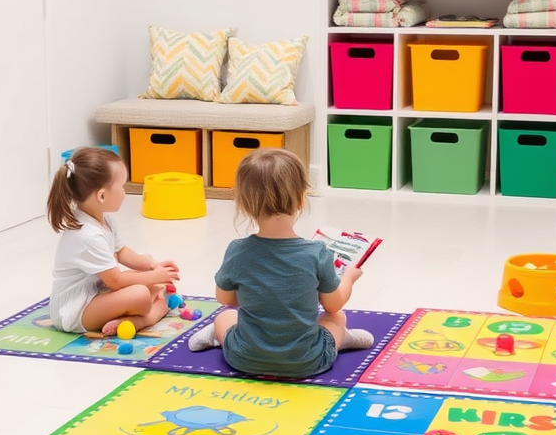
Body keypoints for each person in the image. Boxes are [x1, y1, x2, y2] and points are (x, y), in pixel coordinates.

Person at [188, 147, 372, 378]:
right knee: (336, 318)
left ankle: (218, 337)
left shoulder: (238, 250)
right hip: (306, 361)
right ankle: (341, 338)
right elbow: (333, 305)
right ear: (300, 199)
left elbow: (225, 299)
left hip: (243, 357)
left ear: (244, 203)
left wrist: (260, 291)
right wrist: (349, 278)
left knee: (225, 317)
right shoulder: (316, 252)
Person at [46, 147, 179, 335]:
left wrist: (153, 266)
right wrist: (154, 278)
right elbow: (116, 281)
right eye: (122, 187)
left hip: (97, 292)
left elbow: (121, 252)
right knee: (141, 293)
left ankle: (147, 306)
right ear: (101, 195)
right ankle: (146, 317)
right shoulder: (88, 236)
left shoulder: (103, 219)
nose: (125, 193)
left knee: (147, 266)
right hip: (75, 310)